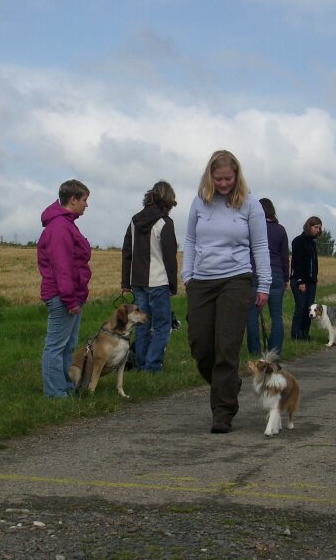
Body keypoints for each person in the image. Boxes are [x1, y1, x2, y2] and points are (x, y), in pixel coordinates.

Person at [183, 150, 271, 434]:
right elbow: (190, 239)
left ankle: (223, 412)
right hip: (201, 281)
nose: (223, 184)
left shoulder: (250, 204)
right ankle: (229, 384)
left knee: (226, 347)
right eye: (218, 179)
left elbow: (260, 246)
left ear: (236, 176)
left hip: (236, 279)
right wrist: (187, 275)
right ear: (210, 176)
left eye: (228, 179)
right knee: (200, 346)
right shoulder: (200, 201)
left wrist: (264, 284)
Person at [37, 179, 92, 397]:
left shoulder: (67, 224)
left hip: (72, 294)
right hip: (62, 295)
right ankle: (55, 393)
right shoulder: (60, 227)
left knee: (68, 345)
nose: (86, 205)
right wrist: (69, 299)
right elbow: (62, 267)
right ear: (73, 199)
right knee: (56, 346)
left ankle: (66, 388)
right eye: (84, 200)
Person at [121, 181, 179, 372]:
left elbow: (127, 252)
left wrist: (125, 282)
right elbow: (170, 257)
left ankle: (141, 365)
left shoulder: (134, 221)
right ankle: (152, 367)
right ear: (168, 201)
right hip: (159, 282)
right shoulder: (165, 223)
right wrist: (173, 285)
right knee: (162, 327)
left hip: (137, 282)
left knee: (142, 326)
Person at [245, 198, 290, 356]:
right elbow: (284, 256)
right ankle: (274, 353)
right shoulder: (280, 230)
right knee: (277, 316)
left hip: (256, 273)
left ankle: (255, 352)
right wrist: (286, 278)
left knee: (252, 316)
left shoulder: (251, 228)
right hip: (276, 274)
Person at [290, 216, 322, 341]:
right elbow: (296, 263)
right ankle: (296, 334)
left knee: (310, 308)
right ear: (309, 226)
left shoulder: (312, 243)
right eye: (315, 227)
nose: (318, 230)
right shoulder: (298, 241)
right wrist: (300, 281)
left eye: (319, 228)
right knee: (301, 307)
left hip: (311, 281)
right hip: (300, 280)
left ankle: (304, 334)